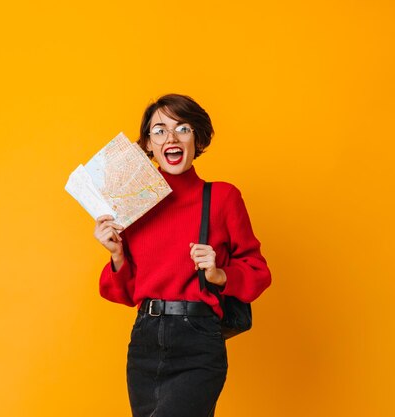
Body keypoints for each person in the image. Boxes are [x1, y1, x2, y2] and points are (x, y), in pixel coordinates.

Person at [93, 94, 271, 417]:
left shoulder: (222, 197)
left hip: (198, 343)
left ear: (197, 138)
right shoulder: (132, 204)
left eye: (182, 128)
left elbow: (258, 271)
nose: (171, 138)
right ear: (148, 144)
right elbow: (125, 292)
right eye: (159, 131)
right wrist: (117, 254)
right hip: (145, 344)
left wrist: (220, 274)